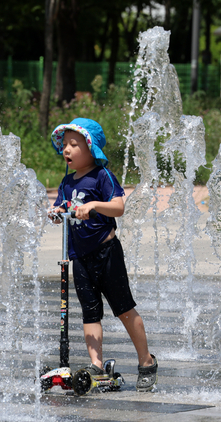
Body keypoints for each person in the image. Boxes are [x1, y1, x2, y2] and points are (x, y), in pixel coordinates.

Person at [48, 117, 158, 392]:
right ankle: (96, 365)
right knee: (90, 312)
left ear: (91, 148)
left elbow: (119, 207)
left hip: (106, 253)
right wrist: (57, 212)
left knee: (123, 309)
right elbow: (61, 206)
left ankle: (146, 361)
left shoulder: (102, 176)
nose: (67, 150)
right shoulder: (66, 182)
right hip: (79, 258)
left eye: (74, 144)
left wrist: (95, 205)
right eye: (65, 145)